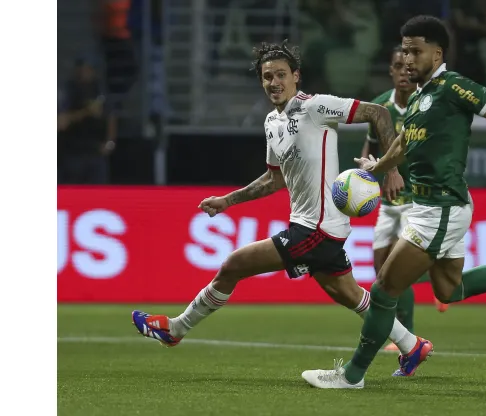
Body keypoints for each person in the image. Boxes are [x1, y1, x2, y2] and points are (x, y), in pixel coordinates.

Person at [301, 15, 486, 389]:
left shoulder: (453, 87)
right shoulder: (422, 96)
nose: (406, 59)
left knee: (386, 287)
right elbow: (405, 142)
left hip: (439, 207)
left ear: (437, 53)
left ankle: (352, 375)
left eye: (415, 51)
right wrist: (377, 168)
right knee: (449, 290)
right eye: (404, 50)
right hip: (437, 206)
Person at [131, 40, 431, 377]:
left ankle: (176, 329)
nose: (274, 82)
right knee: (350, 296)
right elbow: (274, 180)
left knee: (233, 265)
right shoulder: (272, 123)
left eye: (281, 75)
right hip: (316, 228)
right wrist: (227, 201)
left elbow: (378, 112)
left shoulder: (317, 107)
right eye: (266, 76)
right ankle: (412, 345)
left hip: (315, 228)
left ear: (296, 76)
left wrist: (391, 168)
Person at [361, 46, 448, 355]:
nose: (402, 72)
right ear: (391, 70)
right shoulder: (380, 107)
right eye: (397, 66)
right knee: (380, 268)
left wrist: (395, 170)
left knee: (397, 270)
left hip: (419, 198)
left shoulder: (425, 105)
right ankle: (435, 275)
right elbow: (370, 147)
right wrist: (366, 170)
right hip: (389, 201)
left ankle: (406, 339)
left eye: (406, 67)